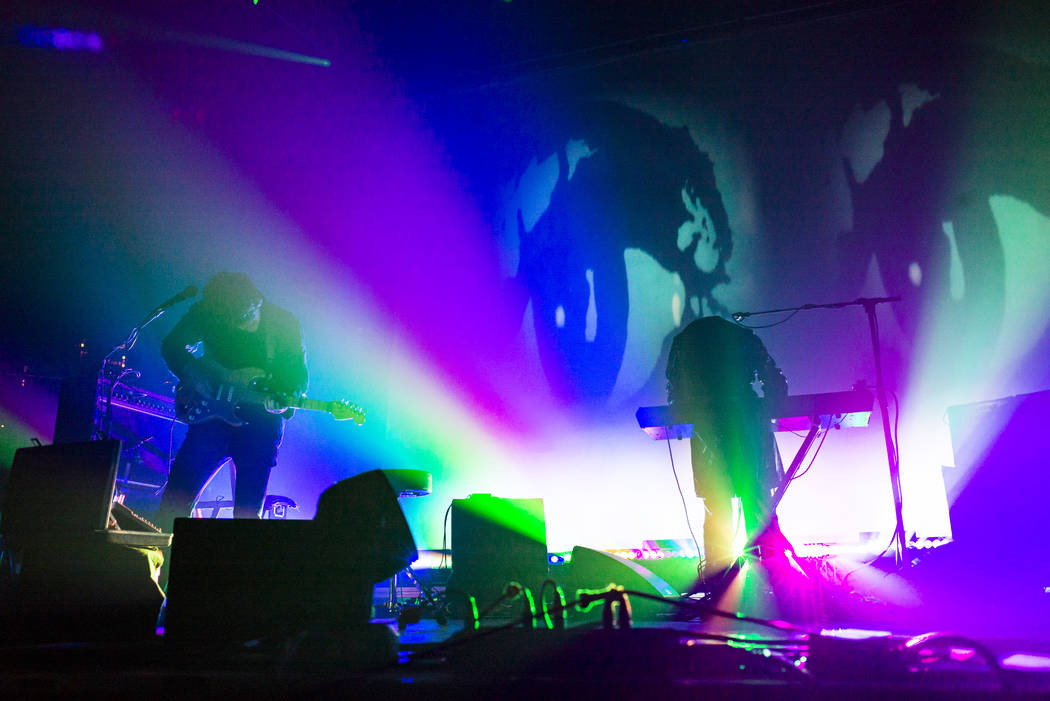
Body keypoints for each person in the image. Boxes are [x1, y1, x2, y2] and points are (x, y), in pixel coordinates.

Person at [155, 272, 308, 533]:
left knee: (247, 518)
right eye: (236, 322)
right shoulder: (208, 313)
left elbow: (298, 376)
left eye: (248, 318)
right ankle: (160, 569)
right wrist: (195, 375)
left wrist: (286, 397)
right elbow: (172, 345)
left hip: (260, 425)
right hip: (210, 420)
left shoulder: (283, 322)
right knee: (173, 508)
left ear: (256, 302)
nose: (243, 326)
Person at [665, 315, 789, 584]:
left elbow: (675, 393)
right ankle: (771, 576)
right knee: (756, 499)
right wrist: (771, 406)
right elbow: (776, 383)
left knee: (717, 504)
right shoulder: (744, 337)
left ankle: (719, 580)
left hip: (708, 428)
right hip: (747, 423)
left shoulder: (685, 340)